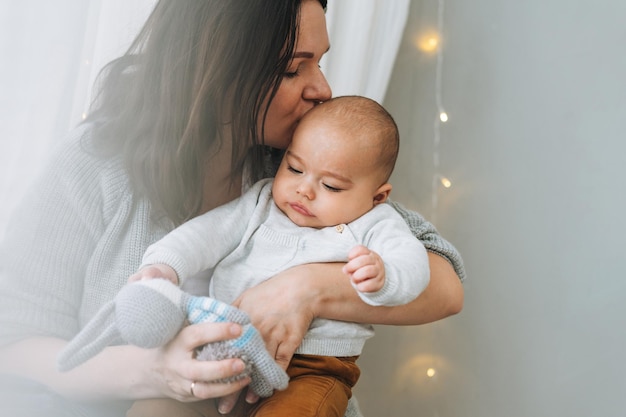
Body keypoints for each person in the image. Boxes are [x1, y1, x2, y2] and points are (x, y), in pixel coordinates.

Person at [0, 1, 465, 417]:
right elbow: (12, 342)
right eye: (291, 69)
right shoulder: (95, 163)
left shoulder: (300, 165)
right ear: (215, 66)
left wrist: (306, 288)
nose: (321, 89)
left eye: (320, 63)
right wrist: (154, 372)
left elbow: (445, 286)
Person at [104, 95, 431, 417]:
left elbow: (414, 264)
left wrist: (385, 275)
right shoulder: (260, 203)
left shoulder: (376, 224)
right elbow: (205, 235)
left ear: (377, 196)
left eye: (330, 186)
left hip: (311, 370)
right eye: (294, 168)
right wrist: (165, 266)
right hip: (226, 350)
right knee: (156, 409)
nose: (304, 189)